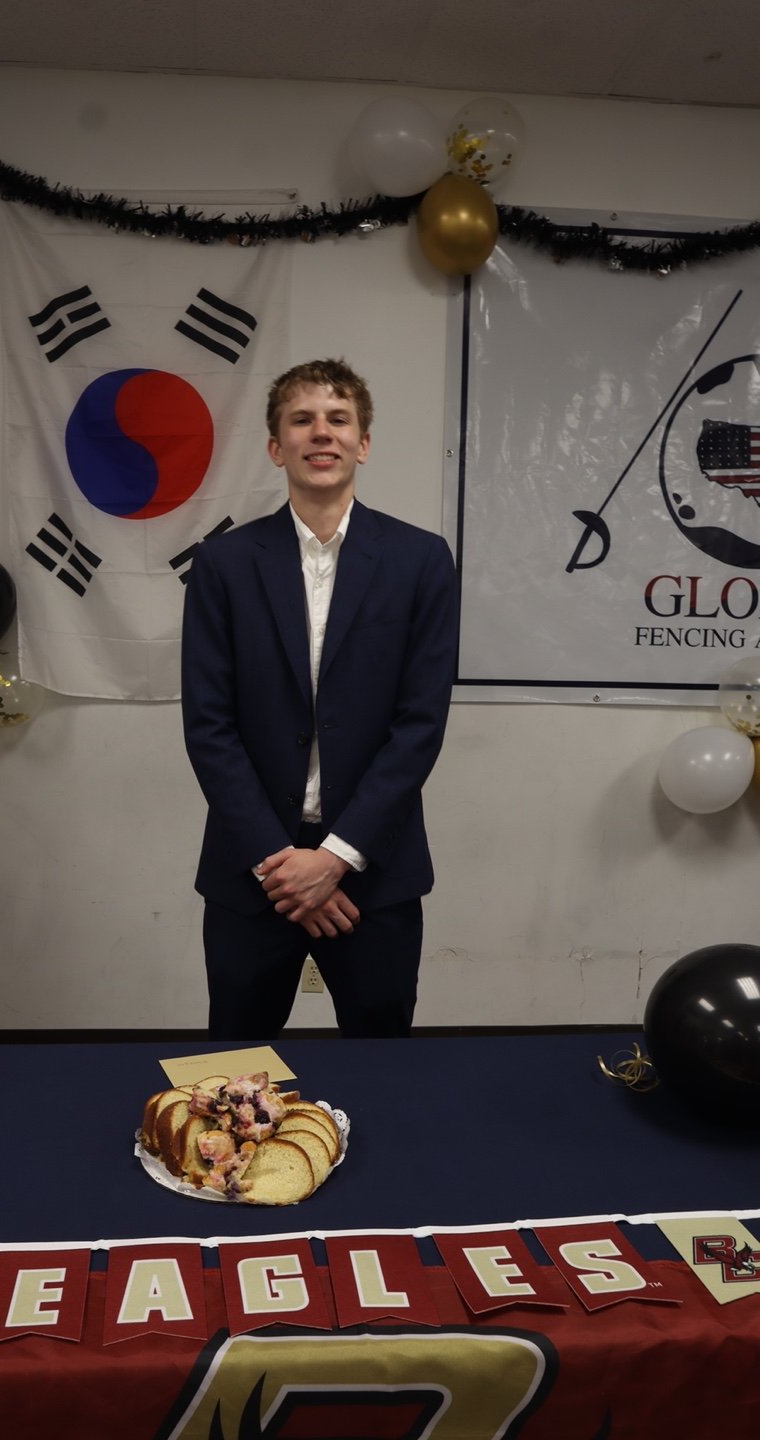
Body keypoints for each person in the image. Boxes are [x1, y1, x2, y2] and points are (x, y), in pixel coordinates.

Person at [181, 358, 459, 1039]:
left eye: (339, 419)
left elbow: (419, 726)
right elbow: (209, 726)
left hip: (373, 872)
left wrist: (333, 859)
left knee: (382, 1062)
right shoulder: (223, 564)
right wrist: (281, 868)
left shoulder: (421, 560)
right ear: (277, 447)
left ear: (363, 443)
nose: (321, 432)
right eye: (302, 420)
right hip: (254, 872)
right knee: (239, 1067)